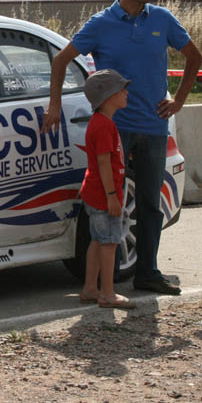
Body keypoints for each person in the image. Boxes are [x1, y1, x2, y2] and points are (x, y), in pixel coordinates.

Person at [43, 0, 202, 296]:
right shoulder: (101, 24)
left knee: (149, 204)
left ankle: (148, 272)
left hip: (154, 126)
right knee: (107, 202)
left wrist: (179, 101)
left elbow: (194, 56)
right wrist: (54, 105)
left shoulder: (162, 19)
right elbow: (61, 60)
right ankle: (107, 280)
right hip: (115, 129)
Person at [78, 69, 135, 309]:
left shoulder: (102, 123)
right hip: (103, 195)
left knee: (97, 240)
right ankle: (108, 293)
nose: (126, 93)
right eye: (122, 90)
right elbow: (103, 163)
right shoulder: (103, 126)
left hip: (96, 193)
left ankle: (90, 288)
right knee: (110, 242)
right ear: (108, 96)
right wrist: (112, 196)